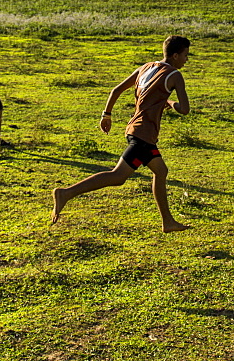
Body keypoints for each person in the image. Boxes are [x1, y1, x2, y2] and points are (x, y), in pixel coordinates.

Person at [51, 35, 192, 233]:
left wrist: (106, 115)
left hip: (136, 130)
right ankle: (65, 193)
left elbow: (115, 90)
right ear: (176, 55)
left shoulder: (146, 67)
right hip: (143, 135)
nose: (187, 59)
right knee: (117, 176)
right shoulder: (174, 75)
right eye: (186, 55)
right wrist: (169, 103)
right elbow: (185, 109)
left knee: (161, 171)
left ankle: (167, 221)